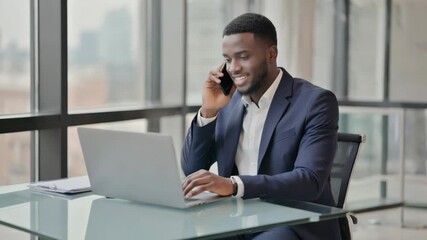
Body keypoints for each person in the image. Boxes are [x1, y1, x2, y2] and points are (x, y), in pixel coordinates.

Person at [181, 13, 340, 240]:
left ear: (271, 54)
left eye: (243, 57)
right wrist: (208, 111)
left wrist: (235, 185)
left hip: (293, 224)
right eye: (227, 59)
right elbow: (192, 168)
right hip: (234, 221)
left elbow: (310, 180)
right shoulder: (227, 103)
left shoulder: (315, 102)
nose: (233, 68)